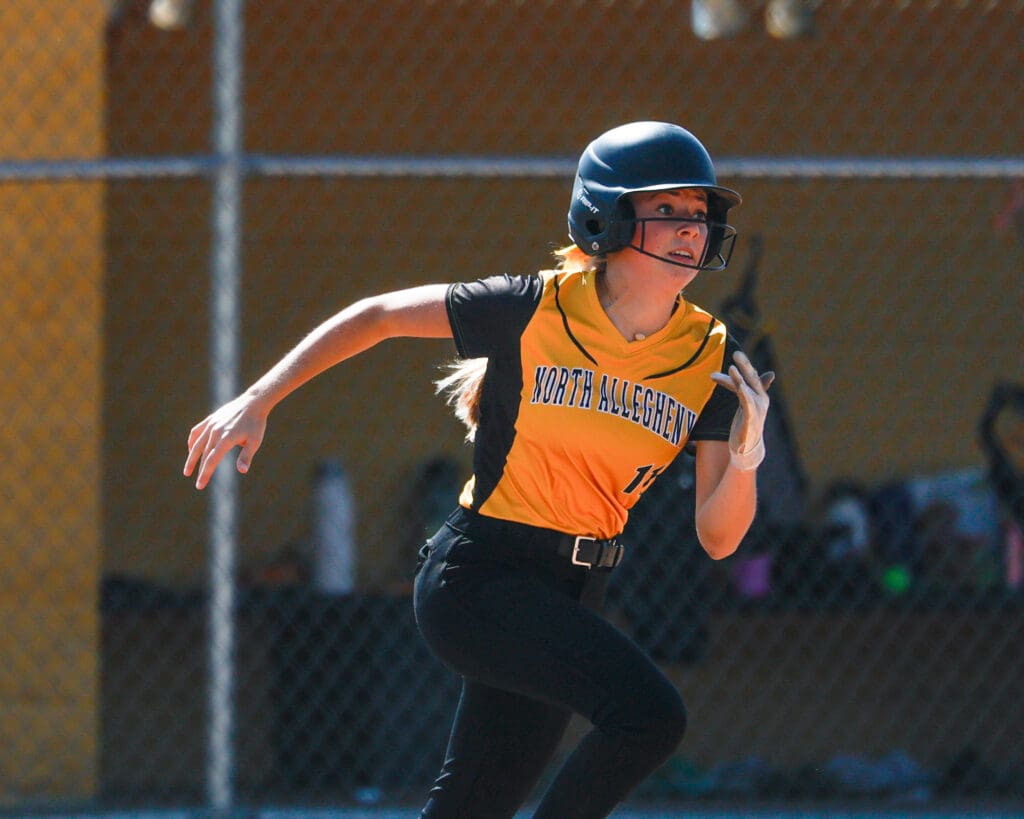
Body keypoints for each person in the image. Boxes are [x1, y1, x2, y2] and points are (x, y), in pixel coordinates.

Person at [184, 121, 774, 818]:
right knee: (648, 716)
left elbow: (718, 538)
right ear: (607, 218)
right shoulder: (535, 307)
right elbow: (376, 315)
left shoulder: (710, 354)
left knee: (474, 803)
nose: (689, 230)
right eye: (666, 210)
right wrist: (260, 397)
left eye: (698, 215)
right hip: (481, 576)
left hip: (576, 588)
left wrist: (743, 456)